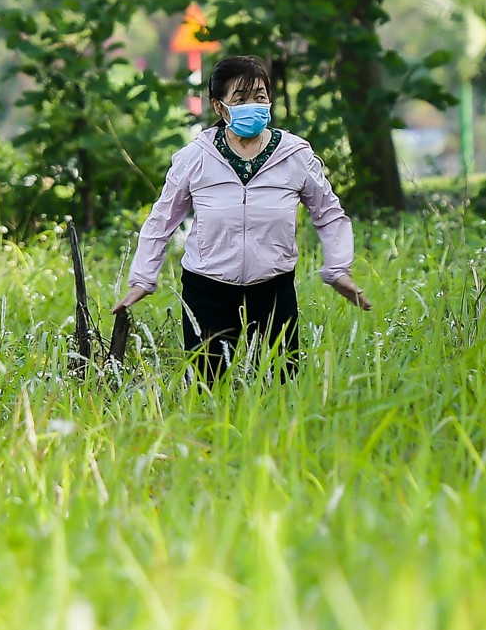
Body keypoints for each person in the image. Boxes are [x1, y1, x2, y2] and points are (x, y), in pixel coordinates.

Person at [109, 53, 371, 383]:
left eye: (260, 97)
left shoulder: (295, 155)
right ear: (219, 107)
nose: (253, 106)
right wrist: (142, 279)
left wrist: (337, 269)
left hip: (273, 288)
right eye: (241, 99)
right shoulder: (195, 158)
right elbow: (162, 220)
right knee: (207, 388)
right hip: (207, 289)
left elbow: (329, 214)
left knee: (281, 384)